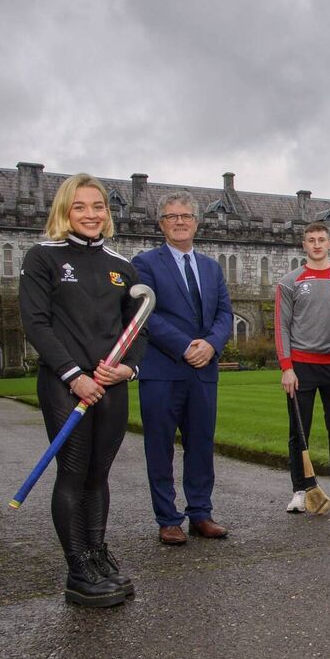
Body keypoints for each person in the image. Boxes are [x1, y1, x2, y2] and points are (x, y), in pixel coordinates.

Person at [18, 173, 146, 607]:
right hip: (66, 384)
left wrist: (127, 369)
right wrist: (74, 375)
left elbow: (138, 328)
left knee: (99, 474)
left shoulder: (122, 266)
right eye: (80, 206)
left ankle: (96, 554)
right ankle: (77, 570)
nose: (91, 214)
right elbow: (36, 323)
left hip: (110, 384)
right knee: (73, 473)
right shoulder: (43, 257)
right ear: (64, 210)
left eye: (98, 206)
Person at [132, 192, 233, 545]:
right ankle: (168, 519)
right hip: (163, 369)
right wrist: (185, 345)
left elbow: (224, 313)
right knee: (160, 447)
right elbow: (145, 313)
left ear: (196, 222)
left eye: (186, 216)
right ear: (161, 223)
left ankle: (200, 513)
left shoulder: (211, 267)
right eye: (172, 216)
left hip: (203, 370)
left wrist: (211, 344)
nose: (179, 222)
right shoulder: (145, 263)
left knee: (201, 445)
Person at [274, 222, 330, 513]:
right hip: (301, 367)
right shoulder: (290, 281)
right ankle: (300, 490)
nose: (316, 244)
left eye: (321, 239)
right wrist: (287, 367)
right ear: (304, 245)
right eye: (311, 240)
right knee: (299, 432)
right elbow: (281, 326)